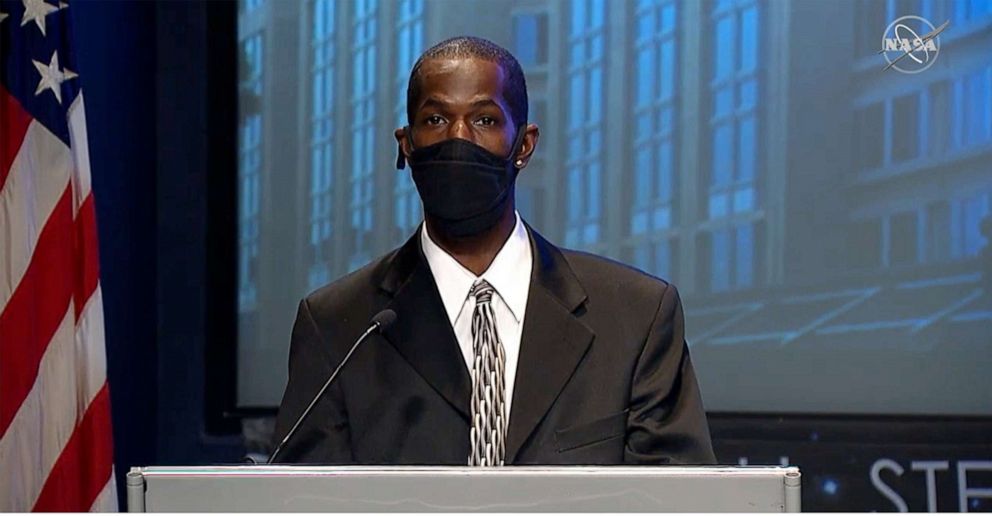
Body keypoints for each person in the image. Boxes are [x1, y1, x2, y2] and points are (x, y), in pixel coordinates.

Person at [273, 36, 715, 465]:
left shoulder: (636, 315)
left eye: (484, 120)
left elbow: (676, 499)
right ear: (406, 145)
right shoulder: (337, 326)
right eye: (435, 121)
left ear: (524, 144)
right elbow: (305, 498)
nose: (458, 138)